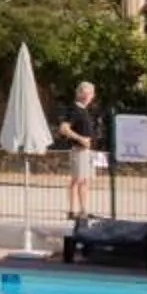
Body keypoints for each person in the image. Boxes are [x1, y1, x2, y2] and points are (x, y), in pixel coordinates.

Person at [56, 80, 101, 217]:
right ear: (80, 93)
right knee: (78, 180)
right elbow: (64, 129)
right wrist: (81, 139)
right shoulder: (75, 109)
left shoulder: (84, 110)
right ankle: (73, 211)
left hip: (87, 151)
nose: (90, 96)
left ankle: (83, 210)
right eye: (88, 93)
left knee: (85, 181)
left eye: (91, 94)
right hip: (79, 150)